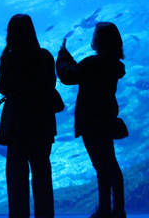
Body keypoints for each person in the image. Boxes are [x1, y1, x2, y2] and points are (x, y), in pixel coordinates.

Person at [56, 22, 126, 218]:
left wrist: (61, 56)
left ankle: (105, 210)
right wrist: (68, 57)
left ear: (100, 41)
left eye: (95, 35)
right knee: (110, 163)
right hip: (106, 117)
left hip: (91, 120)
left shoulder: (93, 63)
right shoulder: (112, 64)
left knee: (101, 167)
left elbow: (68, 76)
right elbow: (80, 70)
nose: (92, 38)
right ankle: (118, 210)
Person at [0, 14, 57, 218]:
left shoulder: (9, 58)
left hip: (18, 124)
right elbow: (51, 85)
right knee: (42, 172)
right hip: (42, 122)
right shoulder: (45, 56)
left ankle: (18, 215)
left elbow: (2, 86)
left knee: (17, 176)